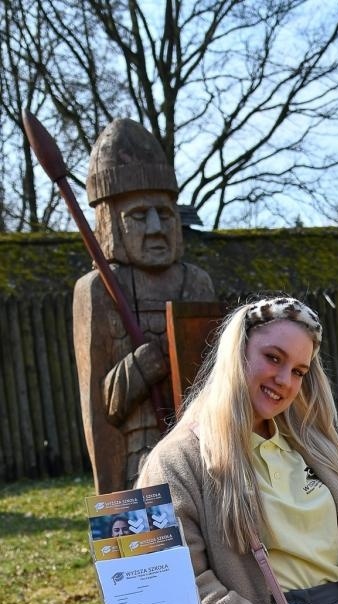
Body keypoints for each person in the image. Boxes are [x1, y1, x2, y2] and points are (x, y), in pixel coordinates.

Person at [137, 295, 338, 604]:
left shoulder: (319, 448)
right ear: (237, 353)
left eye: (299, 371)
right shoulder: (175, 462)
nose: (285, 380)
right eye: (273, 358)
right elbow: (181, 584)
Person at [73, 118, 215, 494]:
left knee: (208, 543)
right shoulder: (98, 290)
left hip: (202, 449)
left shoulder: (196, 282)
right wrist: (137, 369)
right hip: (141, 454)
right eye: (138, 216)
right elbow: (99, 408)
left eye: (164, 214)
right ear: (112, 223)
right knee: (153, 548)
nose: (155, 227)